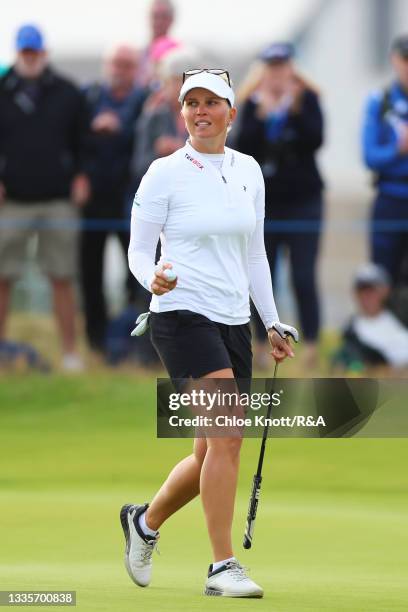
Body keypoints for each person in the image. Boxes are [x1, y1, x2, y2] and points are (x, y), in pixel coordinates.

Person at [121, 68, 297, 598]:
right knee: (228, 436)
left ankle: (144, 523)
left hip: (231, 319)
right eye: (192, 103)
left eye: (212, 103)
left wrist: (270, 320)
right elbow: (137, 249)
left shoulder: (249, 171)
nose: (201, 112)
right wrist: (146, 275)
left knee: (207, 452)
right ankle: (222, 567)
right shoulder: (163, 173)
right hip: (179, 313)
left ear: (230, 113)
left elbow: (254, 254)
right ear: (182, 112)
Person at [0, 24, 89, 371]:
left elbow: (83, 142)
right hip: (12, 200)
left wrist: (81, 176)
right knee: (3, 276)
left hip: (57, 198)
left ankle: (69, 353)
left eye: (35, 52)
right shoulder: (3, 91)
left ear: (44, 53)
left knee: (62, 276)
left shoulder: (67, 92)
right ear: (17, 53)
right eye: (25, 53)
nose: (30, 58)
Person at [235, 42, 324, 369]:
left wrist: (294, 111)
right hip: (264, 204)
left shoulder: (306, 98)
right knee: (262, 275)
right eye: (271, 66)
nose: (276, 72)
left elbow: (315, 139)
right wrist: (263, 116)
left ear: (290, 67)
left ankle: (311, 346)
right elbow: (243, 146)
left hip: (303, 202)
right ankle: (260, 343)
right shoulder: (250, 102)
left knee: (303, 275)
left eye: (282, 65)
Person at [80, 44, 146, 353]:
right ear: (108, 67)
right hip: (93, 199)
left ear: (136, 69)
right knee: (90, 272)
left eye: (127, 64)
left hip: (131, 199)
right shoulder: (90, 98)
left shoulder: (145, 102)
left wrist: (120, 127)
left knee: (136, 271)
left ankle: (131, 340)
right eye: (116, 64)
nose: (120, 70)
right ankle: (96, 342)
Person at [362, 34, 408, 286]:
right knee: (382, 278)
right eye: (406, 60)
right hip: (389, 200)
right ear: (395, 60)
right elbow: (370, 157)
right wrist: (397, 150)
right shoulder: (380, 102)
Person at [333, 263, 408, 371]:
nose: (367, 296)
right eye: (362, 290)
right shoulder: (351, 329)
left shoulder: (400, 317)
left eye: (372, 290)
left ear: (385, 290)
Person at [136, 0, 177, 89]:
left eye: (163, 17)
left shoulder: (178, 53)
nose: (159, 22)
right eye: (155, 16)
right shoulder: (138, 55)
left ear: (171, 19)